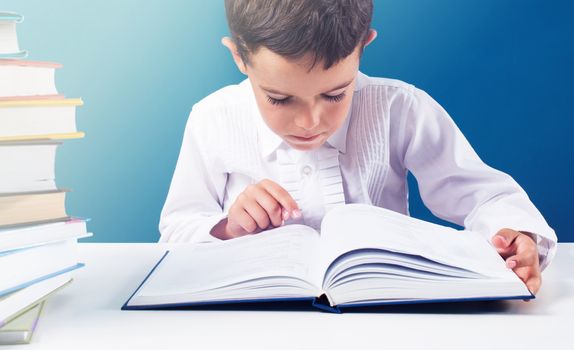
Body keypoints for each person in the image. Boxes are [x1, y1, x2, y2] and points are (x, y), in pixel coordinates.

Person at [159, 0, 557, 295]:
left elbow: (484, 196)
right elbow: (176, 229)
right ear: (239, 56)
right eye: (280, 99)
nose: (310, 122)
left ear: (363, 45)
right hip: (252, 316)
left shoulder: (399, 107)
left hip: (383, 309)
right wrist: (229, 226)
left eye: (334, 95)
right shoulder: (213, 117)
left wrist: (516, 236)